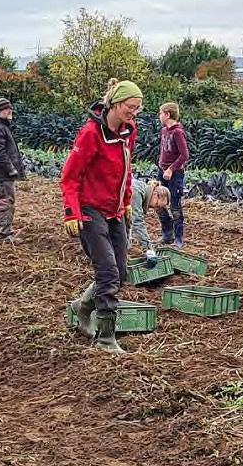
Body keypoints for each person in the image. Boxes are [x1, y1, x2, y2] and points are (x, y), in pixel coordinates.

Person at [61, 78, 142, 354]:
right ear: (116, 105)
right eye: (131, 107)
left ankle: (82, 306)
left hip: (114, 210)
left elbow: (126, 170)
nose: (134, 113)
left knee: (119, 273)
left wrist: (128, 200)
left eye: (138, 109)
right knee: (107, 274)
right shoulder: (91, 134)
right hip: (89, 209)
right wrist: (71, 212)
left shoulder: (129, 131)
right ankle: (106, 339)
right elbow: (70, 177)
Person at [0, 97, 26, 243]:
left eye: (9, 108)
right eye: (6, 109)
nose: (10, 111)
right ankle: (5, 234)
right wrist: (11, 169)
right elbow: (0, 153)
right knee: (5, 202)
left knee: (0, 200)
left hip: (1, 174)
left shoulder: (1, 126)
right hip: (2, 174)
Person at [157, 102, 190, 249]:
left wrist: (171, 169)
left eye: (161, 113)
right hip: (161, 171)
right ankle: (167, 233)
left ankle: (178, 238)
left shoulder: (178, 132)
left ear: (168, 114)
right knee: (158, 203)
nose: (159, 116)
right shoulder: (164, 131)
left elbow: (184, 155)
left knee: (175, 206)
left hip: (175, 174)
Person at [129, 179, 171, 263]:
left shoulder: (141, 190)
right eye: (156, 205)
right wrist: (149, 249)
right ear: (155, 194)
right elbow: (137, 222)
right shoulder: (137, 192)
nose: (155, 209)